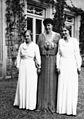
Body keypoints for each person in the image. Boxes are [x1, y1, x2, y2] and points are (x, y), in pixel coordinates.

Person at [56, 25, 82, 115]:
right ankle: (62, 109)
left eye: (65, 31)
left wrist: (78, 66)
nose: (64, 33)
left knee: (71, 86)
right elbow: (58, 54)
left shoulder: (74, 41)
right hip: (63, 65)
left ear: (69, 31)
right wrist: (58, 66)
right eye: (63, 31)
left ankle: (71, 109)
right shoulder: (60, 41)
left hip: (71, 65)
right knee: (63, 85)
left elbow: (77, 54)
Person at [37, 18, 60, 113]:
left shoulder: (57, 36)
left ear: (52, 26)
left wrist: (59, 64)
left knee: (52, 81)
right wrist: (38, 64)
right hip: (43, 60)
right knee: (43, 81)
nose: (48, 27)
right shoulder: (41, 36)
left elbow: (60, 51)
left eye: (49, 25)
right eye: (46, 25)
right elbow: (37, 50)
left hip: (53, 59)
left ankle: (52, 104)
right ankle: (42, 104)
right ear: (44, 26)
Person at [13, 30, 41, 110]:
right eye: (25, 36)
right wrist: (18, 66)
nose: (26, 37)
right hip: (23, 65)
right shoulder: (22, 46)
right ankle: (22, 103)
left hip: (31, 66)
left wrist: (39, 66)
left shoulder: (35, 46)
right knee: (22, 83)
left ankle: (30, 104)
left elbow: (38, 57)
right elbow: (18, 56)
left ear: (31, 36)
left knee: (31, 84)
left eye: (28, 36)